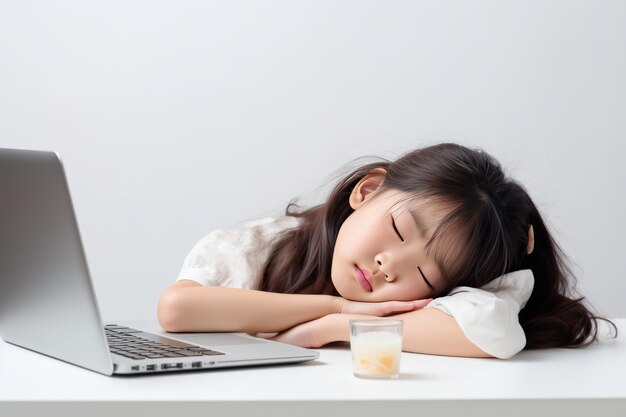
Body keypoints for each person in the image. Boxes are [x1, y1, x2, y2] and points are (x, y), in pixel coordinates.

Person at [158, 143, 616, 359]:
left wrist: (333, 328)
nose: (388, 266)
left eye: (425, 270)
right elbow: (178, 309)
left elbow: (491, 331)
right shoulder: (262, 244)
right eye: (398, 229)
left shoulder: (445, 304)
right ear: (368, 190)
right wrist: (335, 304)